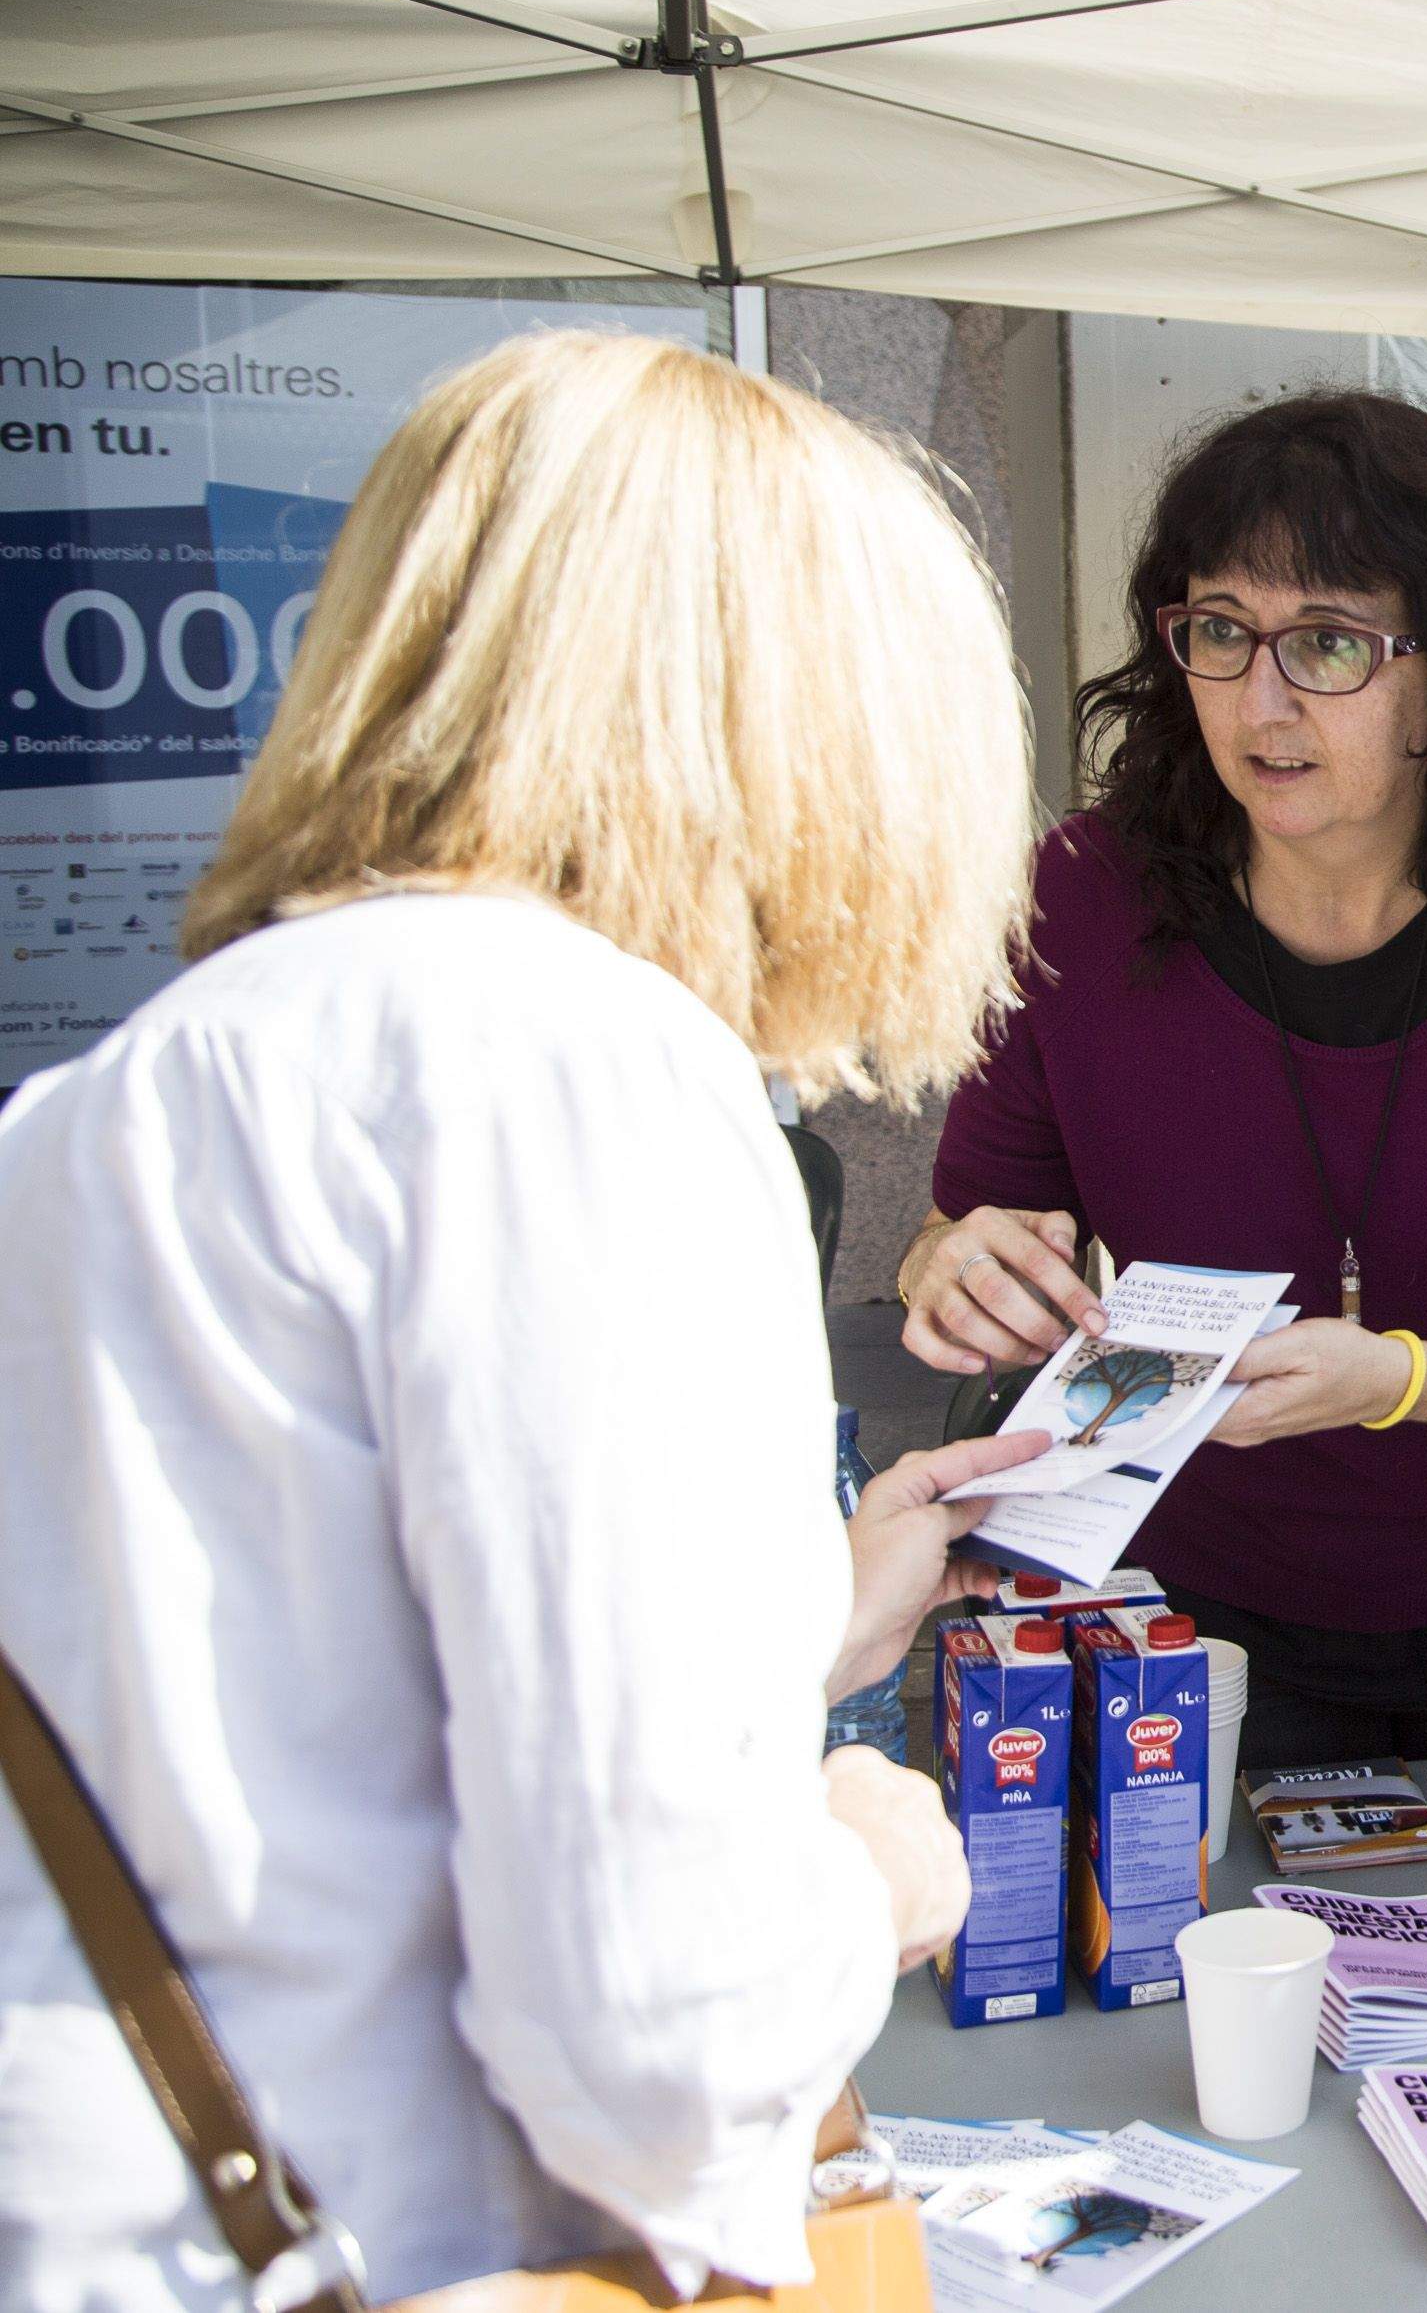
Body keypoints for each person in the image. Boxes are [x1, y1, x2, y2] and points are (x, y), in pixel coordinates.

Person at [0, 332, 1048, 2306]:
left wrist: (791, 1626)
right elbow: (655, 2021)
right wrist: (867, 1873)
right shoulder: (568, 1061)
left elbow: (270, 1686)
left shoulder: (125, 1092)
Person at [904, 391, 1427, 1768]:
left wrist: (1396, 1378)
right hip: (1191, 1609)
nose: (1262, 700)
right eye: (1220, 631)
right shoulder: (1085, 898)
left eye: (1331, 644)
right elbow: (965, 1224)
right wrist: (956, 1264)